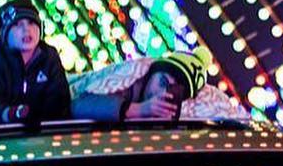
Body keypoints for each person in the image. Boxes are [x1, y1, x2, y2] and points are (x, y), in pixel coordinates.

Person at [0, 0, 71, 126]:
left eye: (31, 22)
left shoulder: (49, 56)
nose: (26, 30)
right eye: (18, 24)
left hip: (36, 129)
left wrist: (36, 117)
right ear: (5, 34)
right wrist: (11, 114)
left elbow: (60, 99)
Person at [71, 50, 208, 124]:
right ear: (153, 72)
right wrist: (139, 110)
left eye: (172, 91)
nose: (161, 93)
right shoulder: (128, 81)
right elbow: (76, 106)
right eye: (162, 82)